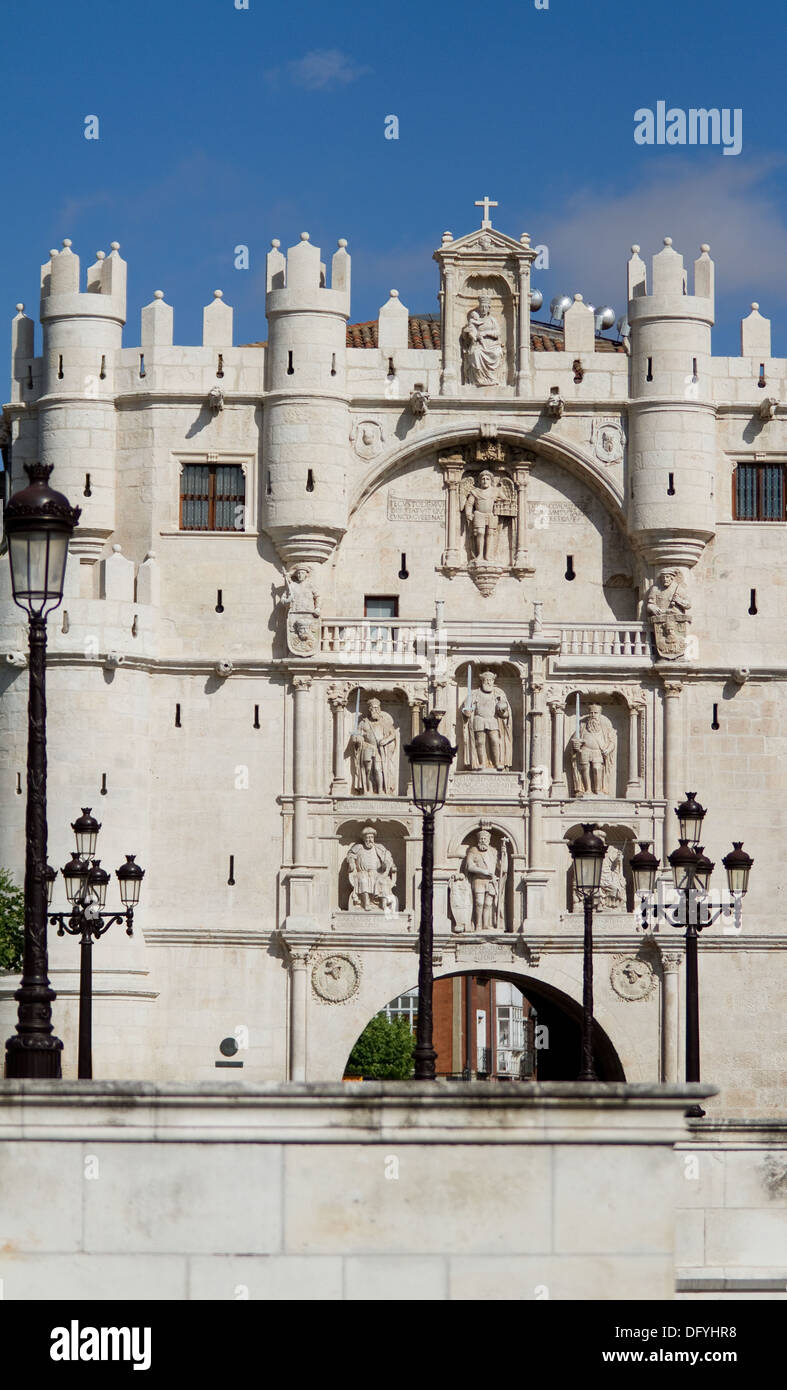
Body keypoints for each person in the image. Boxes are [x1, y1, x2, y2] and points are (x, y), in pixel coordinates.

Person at [462, 669, 512, 770]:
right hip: (479, 719)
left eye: (491, 680)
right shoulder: (474, 693)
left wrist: (503, 710)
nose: (489, 682)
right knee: (480, 741)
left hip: (492, 719)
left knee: (494, 740)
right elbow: (466, 706)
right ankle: (481, 763)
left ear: (493, 681)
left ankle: (497, 762)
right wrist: (466, 710)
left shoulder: (498, 693)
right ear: (482, 681)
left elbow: (506, 710)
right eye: (486, 680)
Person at [346, 828, 398, 912]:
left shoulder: (379, 848)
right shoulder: (358, 847)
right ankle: (366, 903)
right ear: (363, 838)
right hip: (362, 872)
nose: (370, 840)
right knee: (363, 880)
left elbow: (388, 858)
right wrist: (351, 862)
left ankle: (383, 904)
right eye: (368, 837)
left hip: (377, 873)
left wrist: (387, 864)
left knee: (383, 881)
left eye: (371, 837)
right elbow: (350, 855)